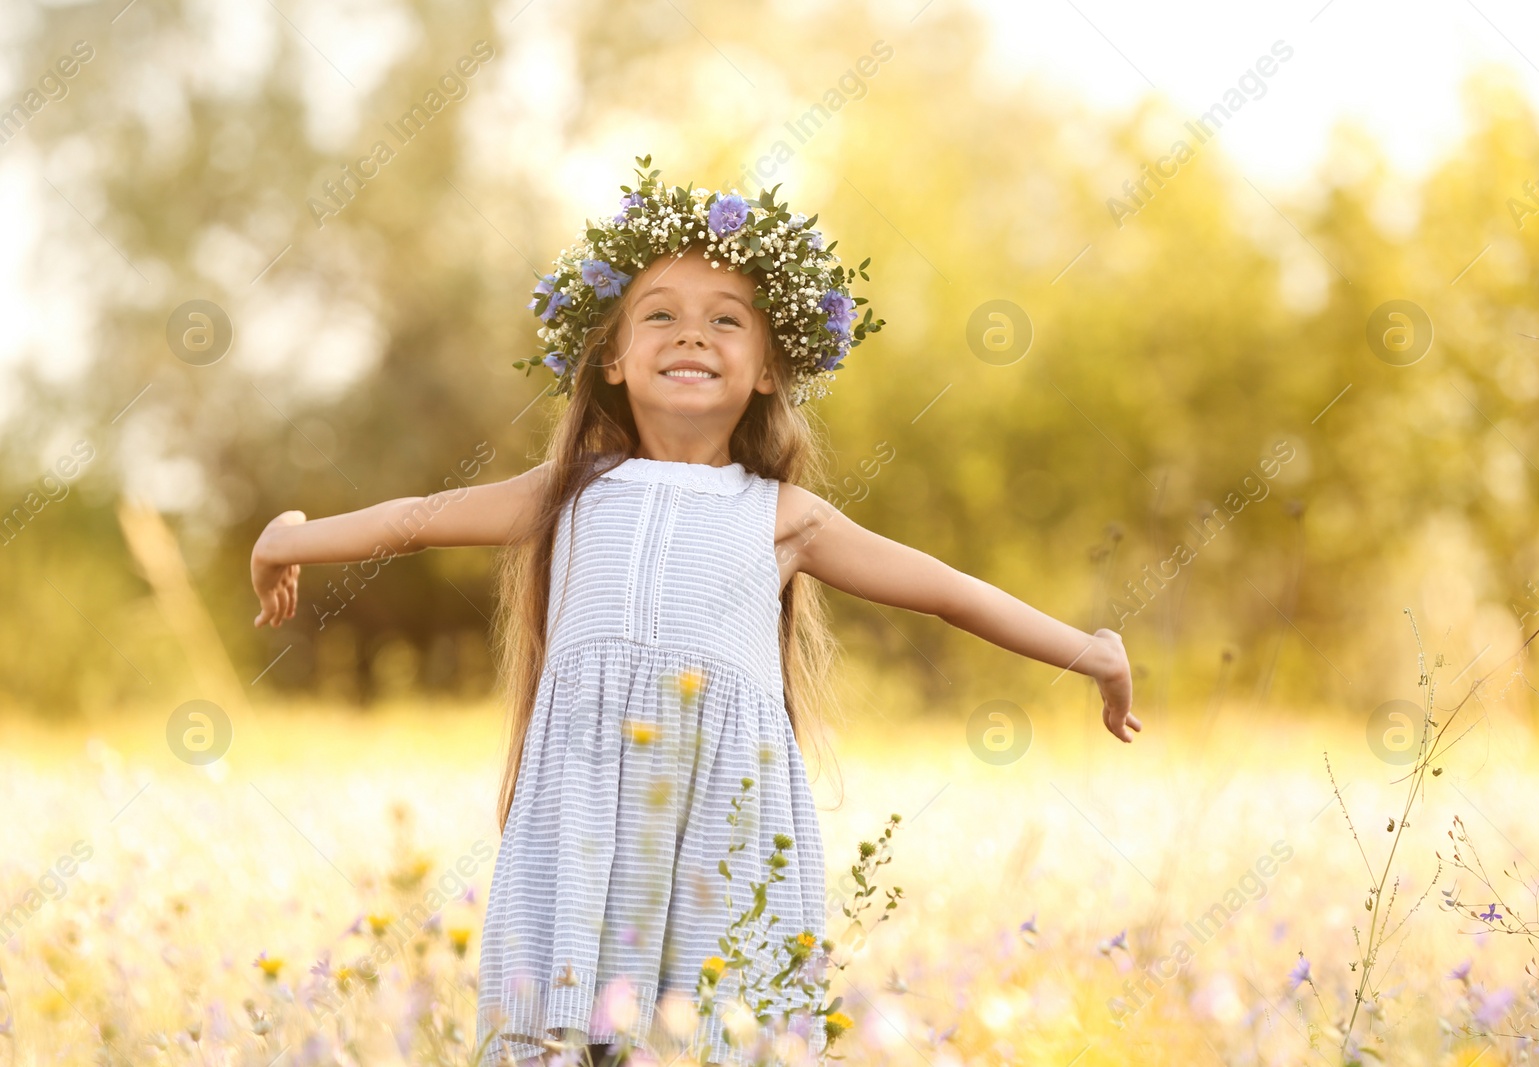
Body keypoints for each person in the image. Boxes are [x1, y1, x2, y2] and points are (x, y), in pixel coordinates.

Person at [249, 158, 1138, 1067]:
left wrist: (1092, 652)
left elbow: (948, 592)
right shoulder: (568, 492)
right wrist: (293, 537)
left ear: (765, 369)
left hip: (718, 826)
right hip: (584, 813)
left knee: (706, 1034)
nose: (692, 334)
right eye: (661, 314)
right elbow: (416, 523)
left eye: (726, 320)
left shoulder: (781, 515)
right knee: (564, 1035)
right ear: (613, 355)